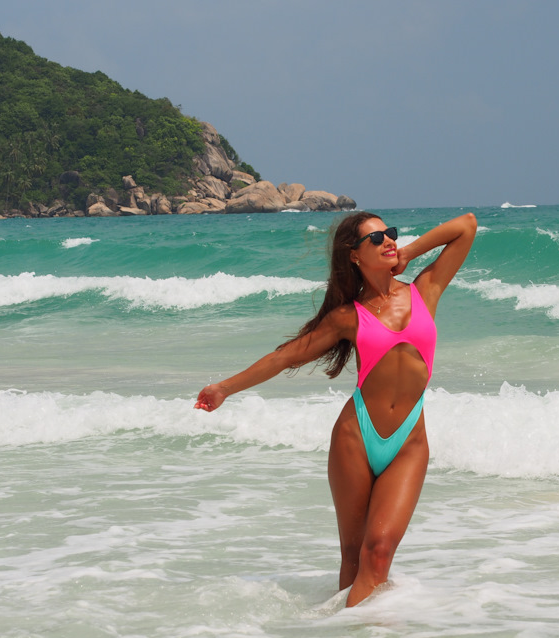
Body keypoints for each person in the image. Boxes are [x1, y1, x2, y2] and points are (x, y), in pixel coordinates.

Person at [196, 211, 477, 606]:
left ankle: (358, 630)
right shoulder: (347, 316)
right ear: (354, 255)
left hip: (409, 441)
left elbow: (467, 226)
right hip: (356, 436)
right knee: (353, 555)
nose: (388, 240)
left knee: (379, 550)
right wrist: (224, 388)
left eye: (390, 233)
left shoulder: (424, 290)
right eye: (375, 238)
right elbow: (285, 357)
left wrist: (409, 252)